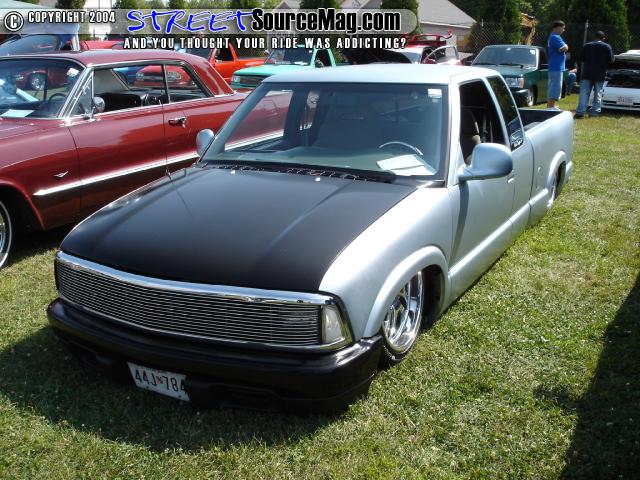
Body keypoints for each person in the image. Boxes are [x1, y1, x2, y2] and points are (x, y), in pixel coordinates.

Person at [575, 31, 614, 118]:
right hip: (600, 74)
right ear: (603, 38)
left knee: (584, 94)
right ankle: (594, 113)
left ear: (594, 37)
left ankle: (580, 112)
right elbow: (611, 60)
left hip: (587, 73)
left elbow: (582, 58)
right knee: (597, 94)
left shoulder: (587, 46)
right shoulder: (607, 46)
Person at [547, 20, 569, 109]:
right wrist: (565, 46)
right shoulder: (555, 37)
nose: (563, 30)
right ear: (558, 27)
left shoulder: (553, 36)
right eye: (563, 28)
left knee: (555, 87)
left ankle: (551, 105)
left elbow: (563, 48)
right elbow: (565, 48)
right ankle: (550, 107)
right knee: (554, 87)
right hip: (556, 67)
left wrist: (564, 47)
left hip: (555, 67)